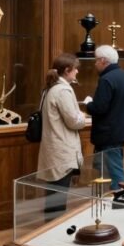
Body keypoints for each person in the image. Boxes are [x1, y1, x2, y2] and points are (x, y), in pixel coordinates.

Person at [37, 53, 87, 218]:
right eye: (75, 69)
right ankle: (51, 231)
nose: (77, 72)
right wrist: (83, 116)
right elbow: (74, 121)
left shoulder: (51, 88)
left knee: (55, 194)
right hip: (61, 149)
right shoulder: (63, 90)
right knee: (58, 195)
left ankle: (49, 229)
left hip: (55, 147)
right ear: (67, 70)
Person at [85, 45, 124, 190]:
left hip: (109, 134)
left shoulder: (106, 79)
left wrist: (88, 104)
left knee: (115, 172)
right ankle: (110, 200)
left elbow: (99, 108)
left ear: (103, 61)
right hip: (121, 131)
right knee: (104, 167)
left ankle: (121, 201)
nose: (95, 64)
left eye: (96, 61)